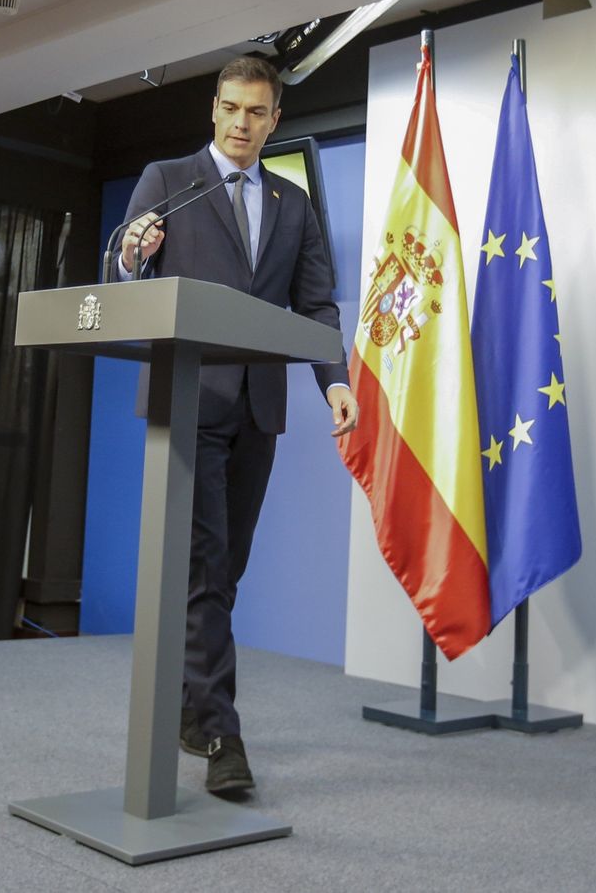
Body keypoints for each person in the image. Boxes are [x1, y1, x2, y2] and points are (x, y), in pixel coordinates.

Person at [113, 56, 358, 795]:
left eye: (256, 112)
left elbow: (316, 302)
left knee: (226, 568)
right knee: (207, 565)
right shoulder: (169, 180)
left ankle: (192, 710)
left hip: (258, 407)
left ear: (274, 119)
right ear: (213, 109)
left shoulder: (291, 202)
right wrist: (133, 251)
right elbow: (128, 261)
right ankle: (222, 733)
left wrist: (335, 379)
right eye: (230, 109)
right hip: (189, 399)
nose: (241, 123)